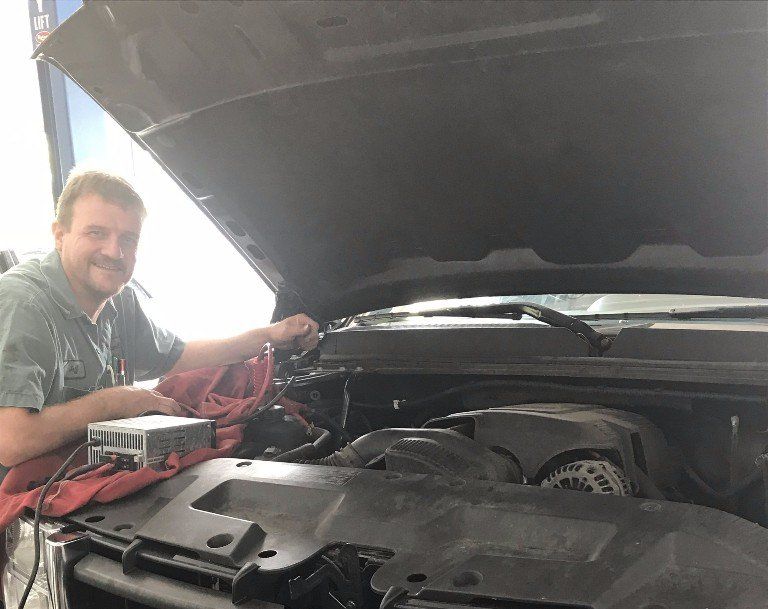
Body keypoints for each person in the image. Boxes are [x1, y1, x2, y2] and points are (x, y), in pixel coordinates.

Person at [0, 170, 319, 478]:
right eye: (96, 232)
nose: (114, 251)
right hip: (21, 510)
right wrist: (120, 401)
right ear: (59, 235)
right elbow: (11, 442)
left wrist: (267, 336)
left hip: (80, 474)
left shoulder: (120, 300)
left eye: (128, 238)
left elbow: (178, 356)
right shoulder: (23, 303)